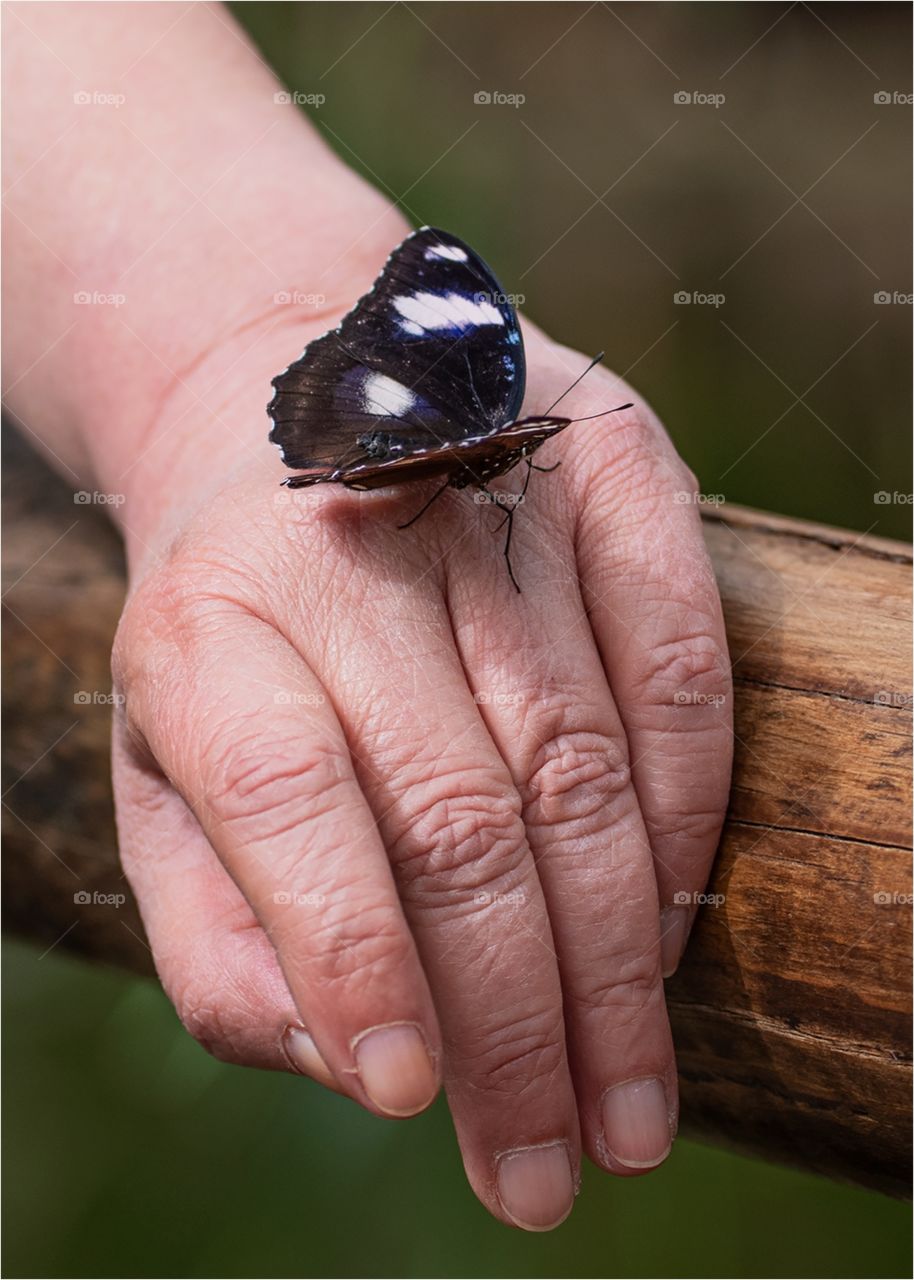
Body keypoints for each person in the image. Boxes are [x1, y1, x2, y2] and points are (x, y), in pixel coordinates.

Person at [4, 2, 732, 1232]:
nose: (531, 450)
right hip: (374, 439)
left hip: (379, 423)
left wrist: (205, 363)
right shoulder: (487, 409)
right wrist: (198, 375)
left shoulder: (494, 407)